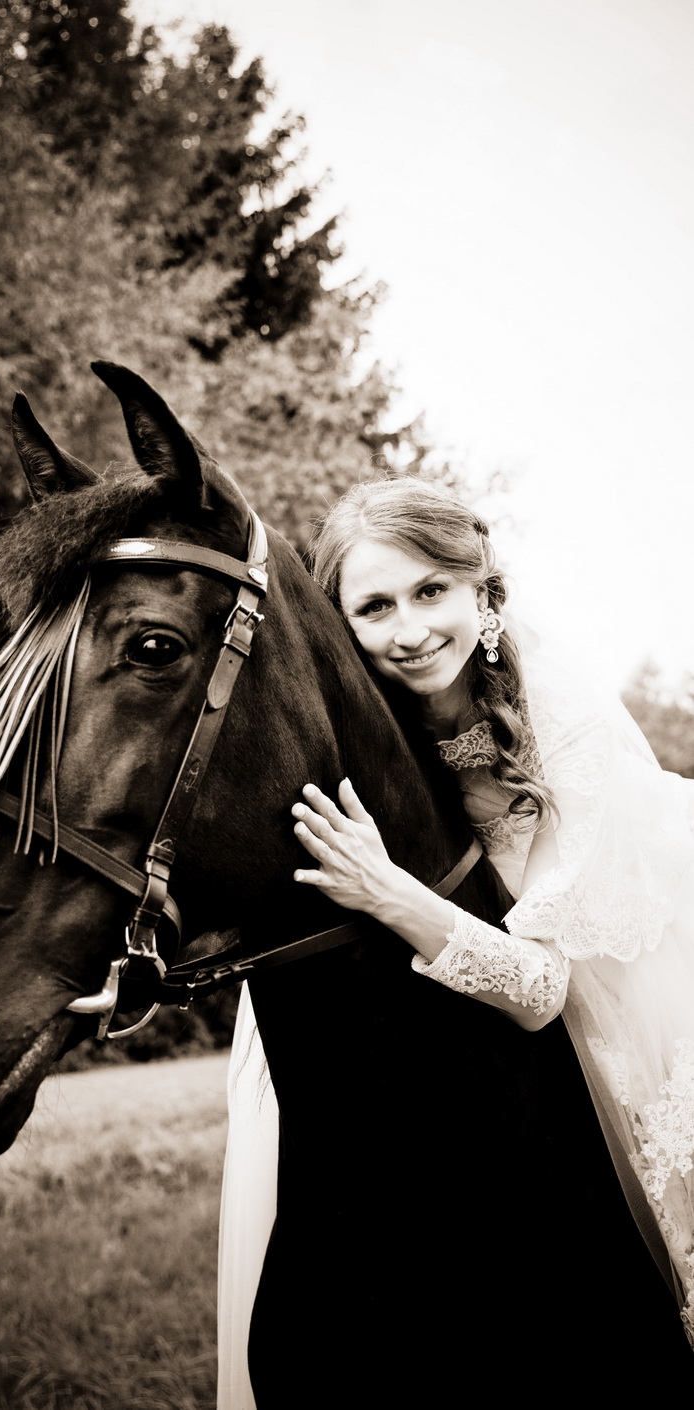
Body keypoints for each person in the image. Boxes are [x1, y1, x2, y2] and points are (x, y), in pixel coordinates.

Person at [218, 476, 694, 1406]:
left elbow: (542, 989)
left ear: (484, 592)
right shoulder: (372, 726)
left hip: (635, 975)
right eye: (375, 607)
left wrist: (385, 888)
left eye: (432, 591)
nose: (410, 630)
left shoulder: (568, 725)